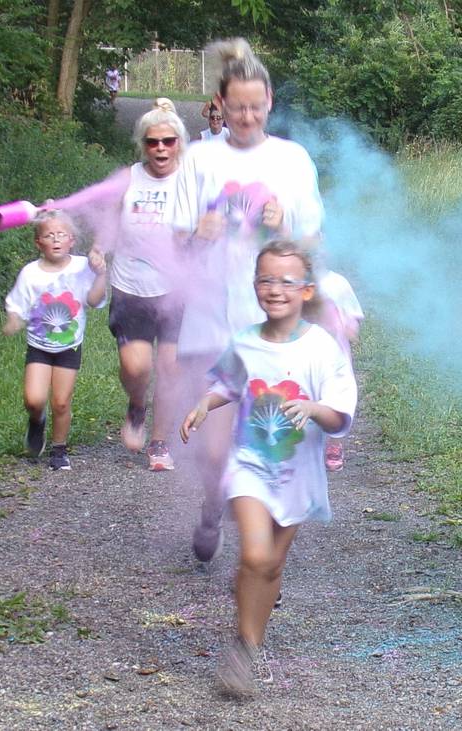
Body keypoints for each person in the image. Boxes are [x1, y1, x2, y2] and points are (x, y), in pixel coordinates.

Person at [180, 240, 357, 696]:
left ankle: (248, 648)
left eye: (286, 281)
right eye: (265, 279)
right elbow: (228, 382)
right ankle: (242, 643)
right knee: (256, 556)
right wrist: (205, 402)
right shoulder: (244, 341)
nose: (274, 289)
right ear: (254, 285)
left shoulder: (321, 347)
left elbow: (340, 416)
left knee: (272, 566)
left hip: (297, 474)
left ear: (305, 290)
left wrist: (314, 407)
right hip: (250, 465)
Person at [173, 38, 324, 560]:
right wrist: (199, 234)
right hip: (212, 322)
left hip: (273, 331)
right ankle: (213, 506)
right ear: (220, 102)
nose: (246, 116)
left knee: (265, 448)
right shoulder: (198, 159)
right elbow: (174, 244)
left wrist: (284, 228)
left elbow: (312, 245)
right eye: (237, 107)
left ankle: (260, 567)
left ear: (270, 101)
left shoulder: (292, 160)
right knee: (216, 453)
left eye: (256, 106)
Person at [50, 98, 189, 470]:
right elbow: (107, 217)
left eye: (168, 141)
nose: (160, 148)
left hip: (177, 290)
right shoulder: (129, 177)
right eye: (152, 141)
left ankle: (159, 443)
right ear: (142, 144)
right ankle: (136, 402)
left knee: (170, 367)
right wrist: (98, 248)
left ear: (179, 143)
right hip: (131, 287)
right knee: (135, 366)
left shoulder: (192, 180)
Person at [3, 210, 107, 470]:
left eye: (61, 234)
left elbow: (94, 301)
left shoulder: (83, 267)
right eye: (49, 235)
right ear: (39, 243)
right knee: (34, 399)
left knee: (61, 401)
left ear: (72, 240)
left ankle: (59, 450)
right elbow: (17, 304)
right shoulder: (30, 273)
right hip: (38, 346)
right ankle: (37, 421)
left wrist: (102, 275)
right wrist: (14, 319)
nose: (56, 239)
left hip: (69, 346)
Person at [311, 270, 364, 471]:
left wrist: (350, 326)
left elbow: (353, 314)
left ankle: (334, 443)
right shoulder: (291, 279)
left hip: (335, 354)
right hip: (302, 350)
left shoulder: (336, 282)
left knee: (338, 395)